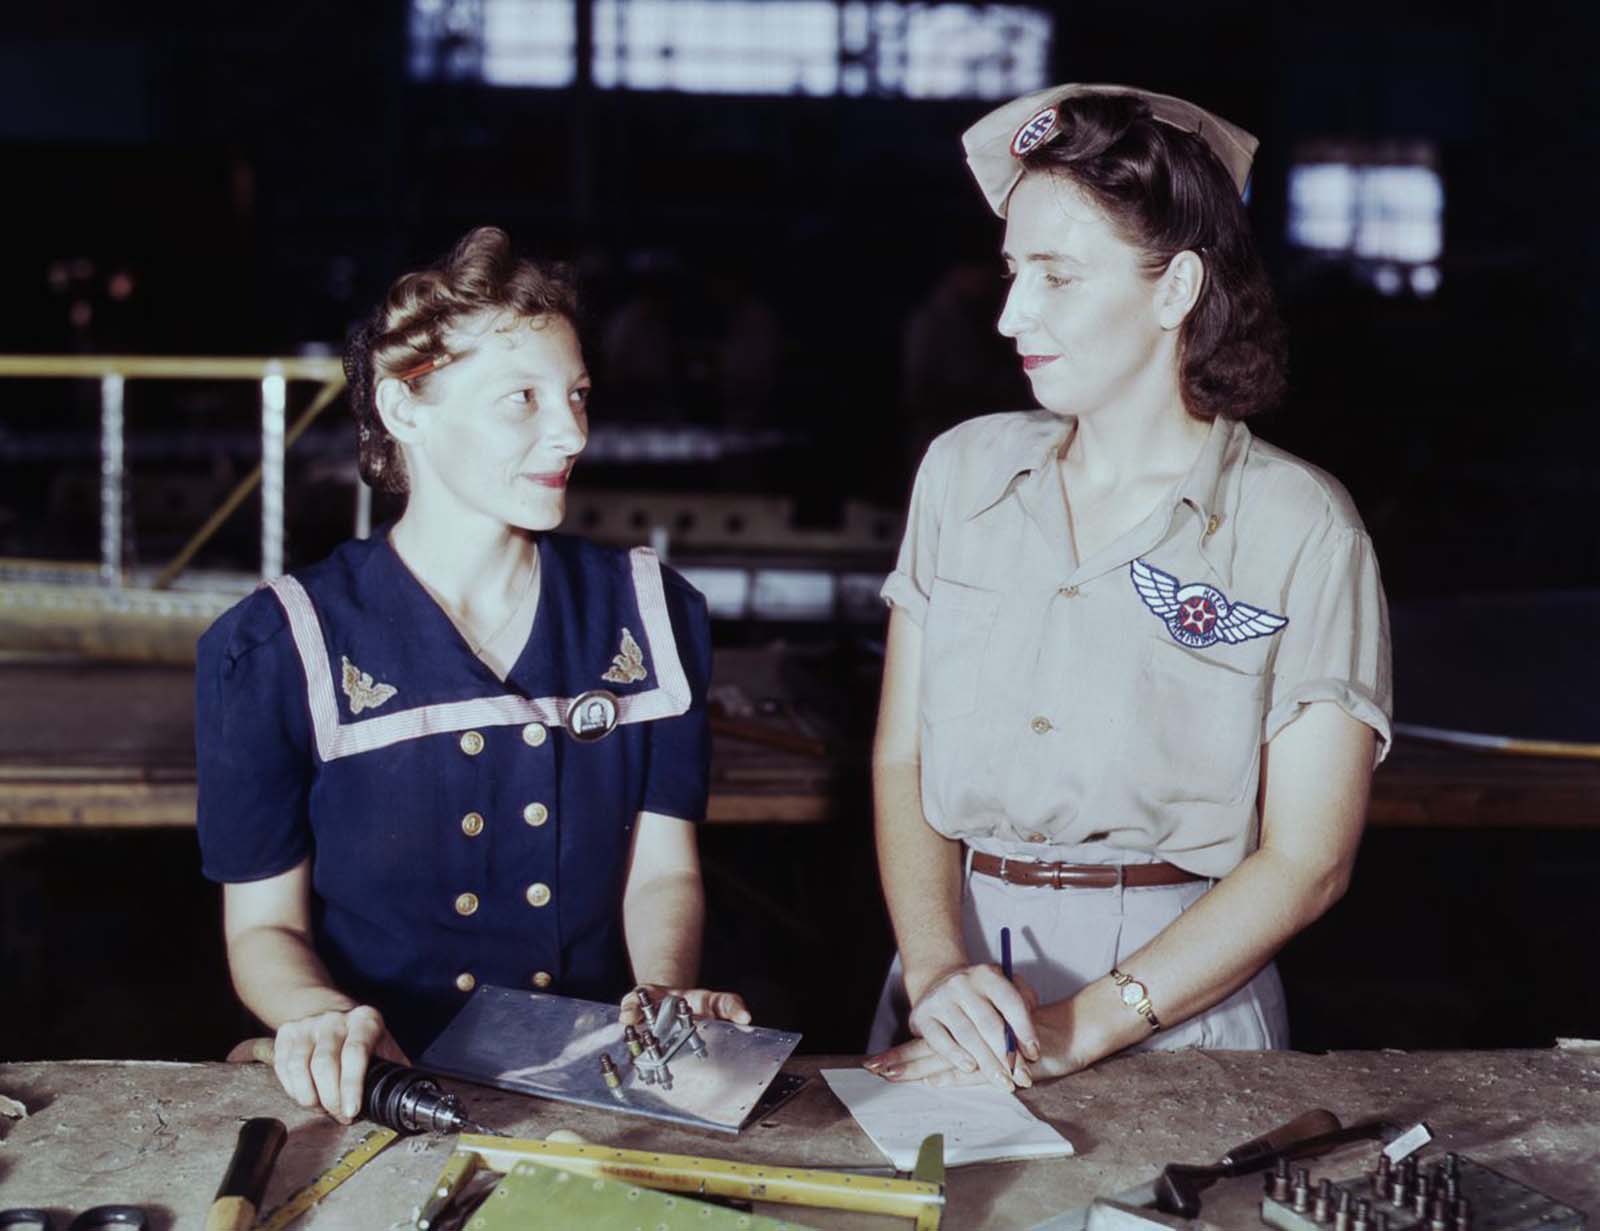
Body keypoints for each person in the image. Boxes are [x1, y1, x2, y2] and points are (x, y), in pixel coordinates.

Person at [864, 86, 1392, 1091]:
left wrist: (1077, 1028)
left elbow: (1306, 860)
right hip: (951, 991)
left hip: (1175, 1011)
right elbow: (903, 755)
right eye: (1014, 271)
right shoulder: (962, 475)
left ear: (1174, 287)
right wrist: (933, 966)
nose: (1015, 314)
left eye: (1058, 277)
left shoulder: (1297, 525)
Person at [196, 227, 749, 1123]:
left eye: (574, 394)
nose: (569, 430)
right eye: (520, 399)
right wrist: (325, 1021)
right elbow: (265, 928)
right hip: (386, 1084)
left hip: (595, 1084)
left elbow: (661, 874)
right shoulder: (278, 645)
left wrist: (662, 1000)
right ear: (406, 408)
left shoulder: (648, 613)